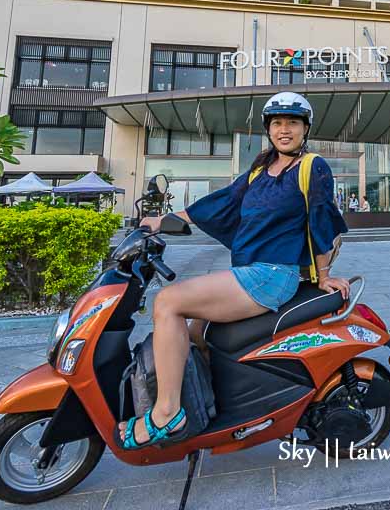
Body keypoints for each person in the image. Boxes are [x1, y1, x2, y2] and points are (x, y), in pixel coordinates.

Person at [119, 91, 350, 449]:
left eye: (292, 123)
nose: (284, 130)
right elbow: (220, 203)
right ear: (268, 129)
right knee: (196, 334)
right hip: (248, 271)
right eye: (277, 123)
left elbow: (321, 219)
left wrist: (323, 274)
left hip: (271, 275)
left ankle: (168, 412)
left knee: (167, 303)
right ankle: (209, 403)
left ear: (305, 128)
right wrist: (161, 221)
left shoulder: (311, 166)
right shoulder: (260, 169)